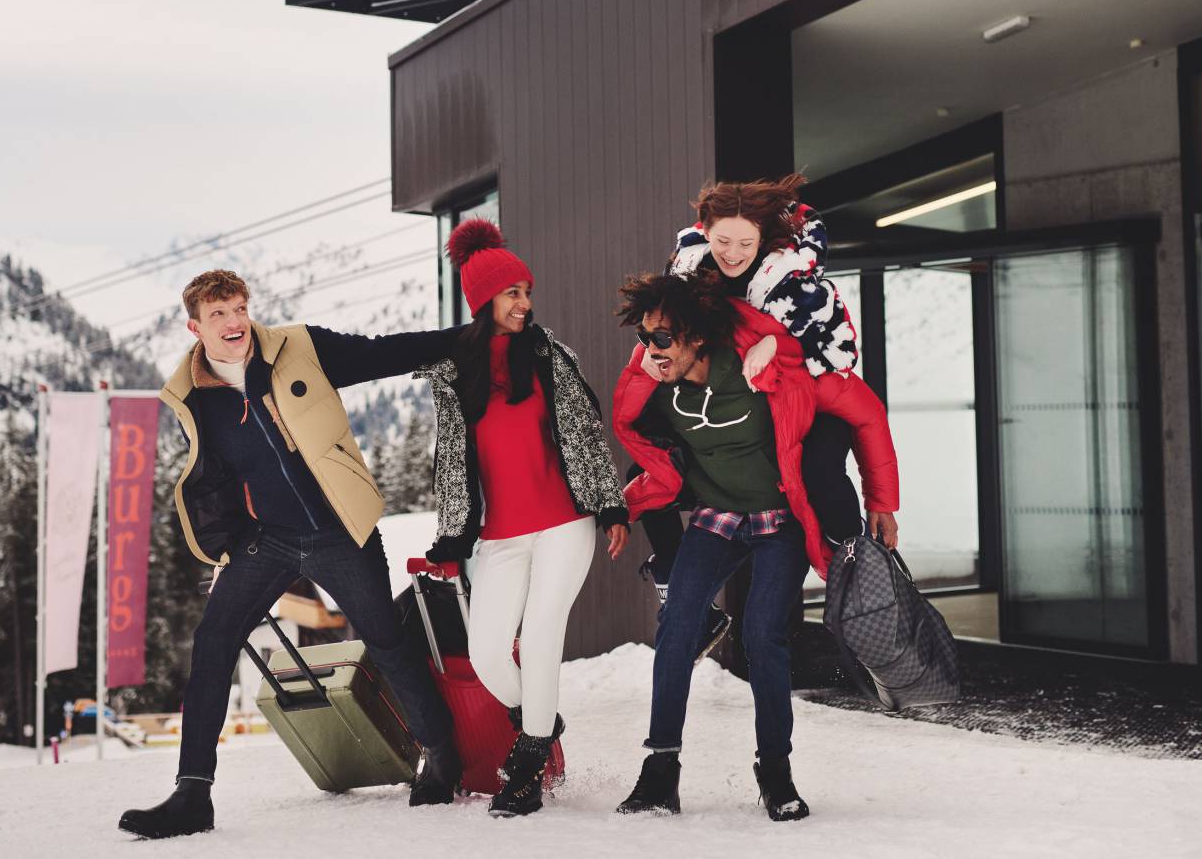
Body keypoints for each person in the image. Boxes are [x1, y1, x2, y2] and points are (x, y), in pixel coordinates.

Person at [117, 270, 465, 840]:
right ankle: (192, 794)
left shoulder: (299, 347)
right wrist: (229, 548)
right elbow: (214, 477)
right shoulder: (192, 397)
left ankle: (441, 754)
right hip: (267, 541)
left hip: (340, 529)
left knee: (384, 638)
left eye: (239, 308)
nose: (234, 323)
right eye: (218, 315)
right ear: (195, 327)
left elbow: (387, 353)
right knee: (212, 643)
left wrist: (471, 335)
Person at [611, 270, 900, 822]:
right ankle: (660, 771)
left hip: (780, 522)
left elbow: (861, 411)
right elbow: (645, 459)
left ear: (696, 335)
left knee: (764, 635)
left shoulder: (757, 371)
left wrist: (881, 500)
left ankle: (775, 771)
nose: (651, 350)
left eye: (662, 338)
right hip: (716, 519)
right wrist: (620, 510)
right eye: (644, 339)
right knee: (675, 628)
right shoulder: (659, 393)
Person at [616, 178, 899, 638]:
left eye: (745, 243)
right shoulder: (690, 284)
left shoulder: (791, 292)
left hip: (802, 386)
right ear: (704, 231)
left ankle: (856, 571)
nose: (732, 252)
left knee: (819, 471)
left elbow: (864, 411)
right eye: (722, 240)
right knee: (646, 475)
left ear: (762, 239)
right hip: (743, 408)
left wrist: (882, 504)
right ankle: (677, 586)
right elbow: (660, 341)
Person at [414, 219, 630, 817]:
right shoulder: (457, 374)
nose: (525, 303)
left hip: (564, 523)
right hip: (501, 538)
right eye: (513, 293)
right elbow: (453, 462)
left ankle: (528, 762)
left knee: (539, 634)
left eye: (526, 291)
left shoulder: (549, 356)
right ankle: (543, 719)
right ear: (484, 300)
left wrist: (609, 504)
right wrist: (452, 537)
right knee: (487, 655)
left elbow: (586, 435)